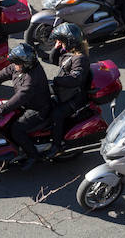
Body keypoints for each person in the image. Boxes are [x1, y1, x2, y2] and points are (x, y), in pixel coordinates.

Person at [0, 43, 52, 171]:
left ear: (25, 63)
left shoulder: (32, 78)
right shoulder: (20, 66)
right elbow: (2, 74)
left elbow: (21, 97)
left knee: (17, 129)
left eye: (16, 63)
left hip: (37, 109)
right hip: (25, 104)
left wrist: (0, 109)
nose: (14, 66)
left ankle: (33, 156)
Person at [44, 23, 91, 156]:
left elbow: (75, 79)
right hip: (65, 90)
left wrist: (57, 81)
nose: (60, 43)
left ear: (70, 42)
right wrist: (56, 47)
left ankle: (56, 146)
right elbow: (54, 60)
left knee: (56, 114)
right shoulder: (71, 53)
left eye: (62, 41)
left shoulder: (80, 59)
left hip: (75, 97)